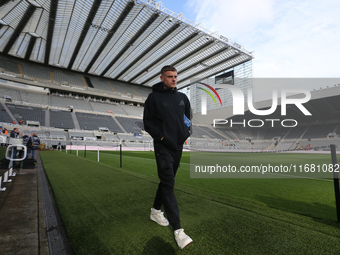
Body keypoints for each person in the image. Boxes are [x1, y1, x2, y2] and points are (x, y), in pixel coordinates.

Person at [143, 65, 193, 250]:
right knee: (169, 184)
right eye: (170, 76)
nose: (174, 79)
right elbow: (147, 122)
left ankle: (156, 211)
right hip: (163, 146)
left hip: (177, 147)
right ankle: (179, 231)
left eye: (176, 76)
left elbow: (188, 118)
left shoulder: (182, 98)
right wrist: (161, 136)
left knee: (167, 182)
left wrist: (185, 134)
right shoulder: (153, 98)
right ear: (162, 77)